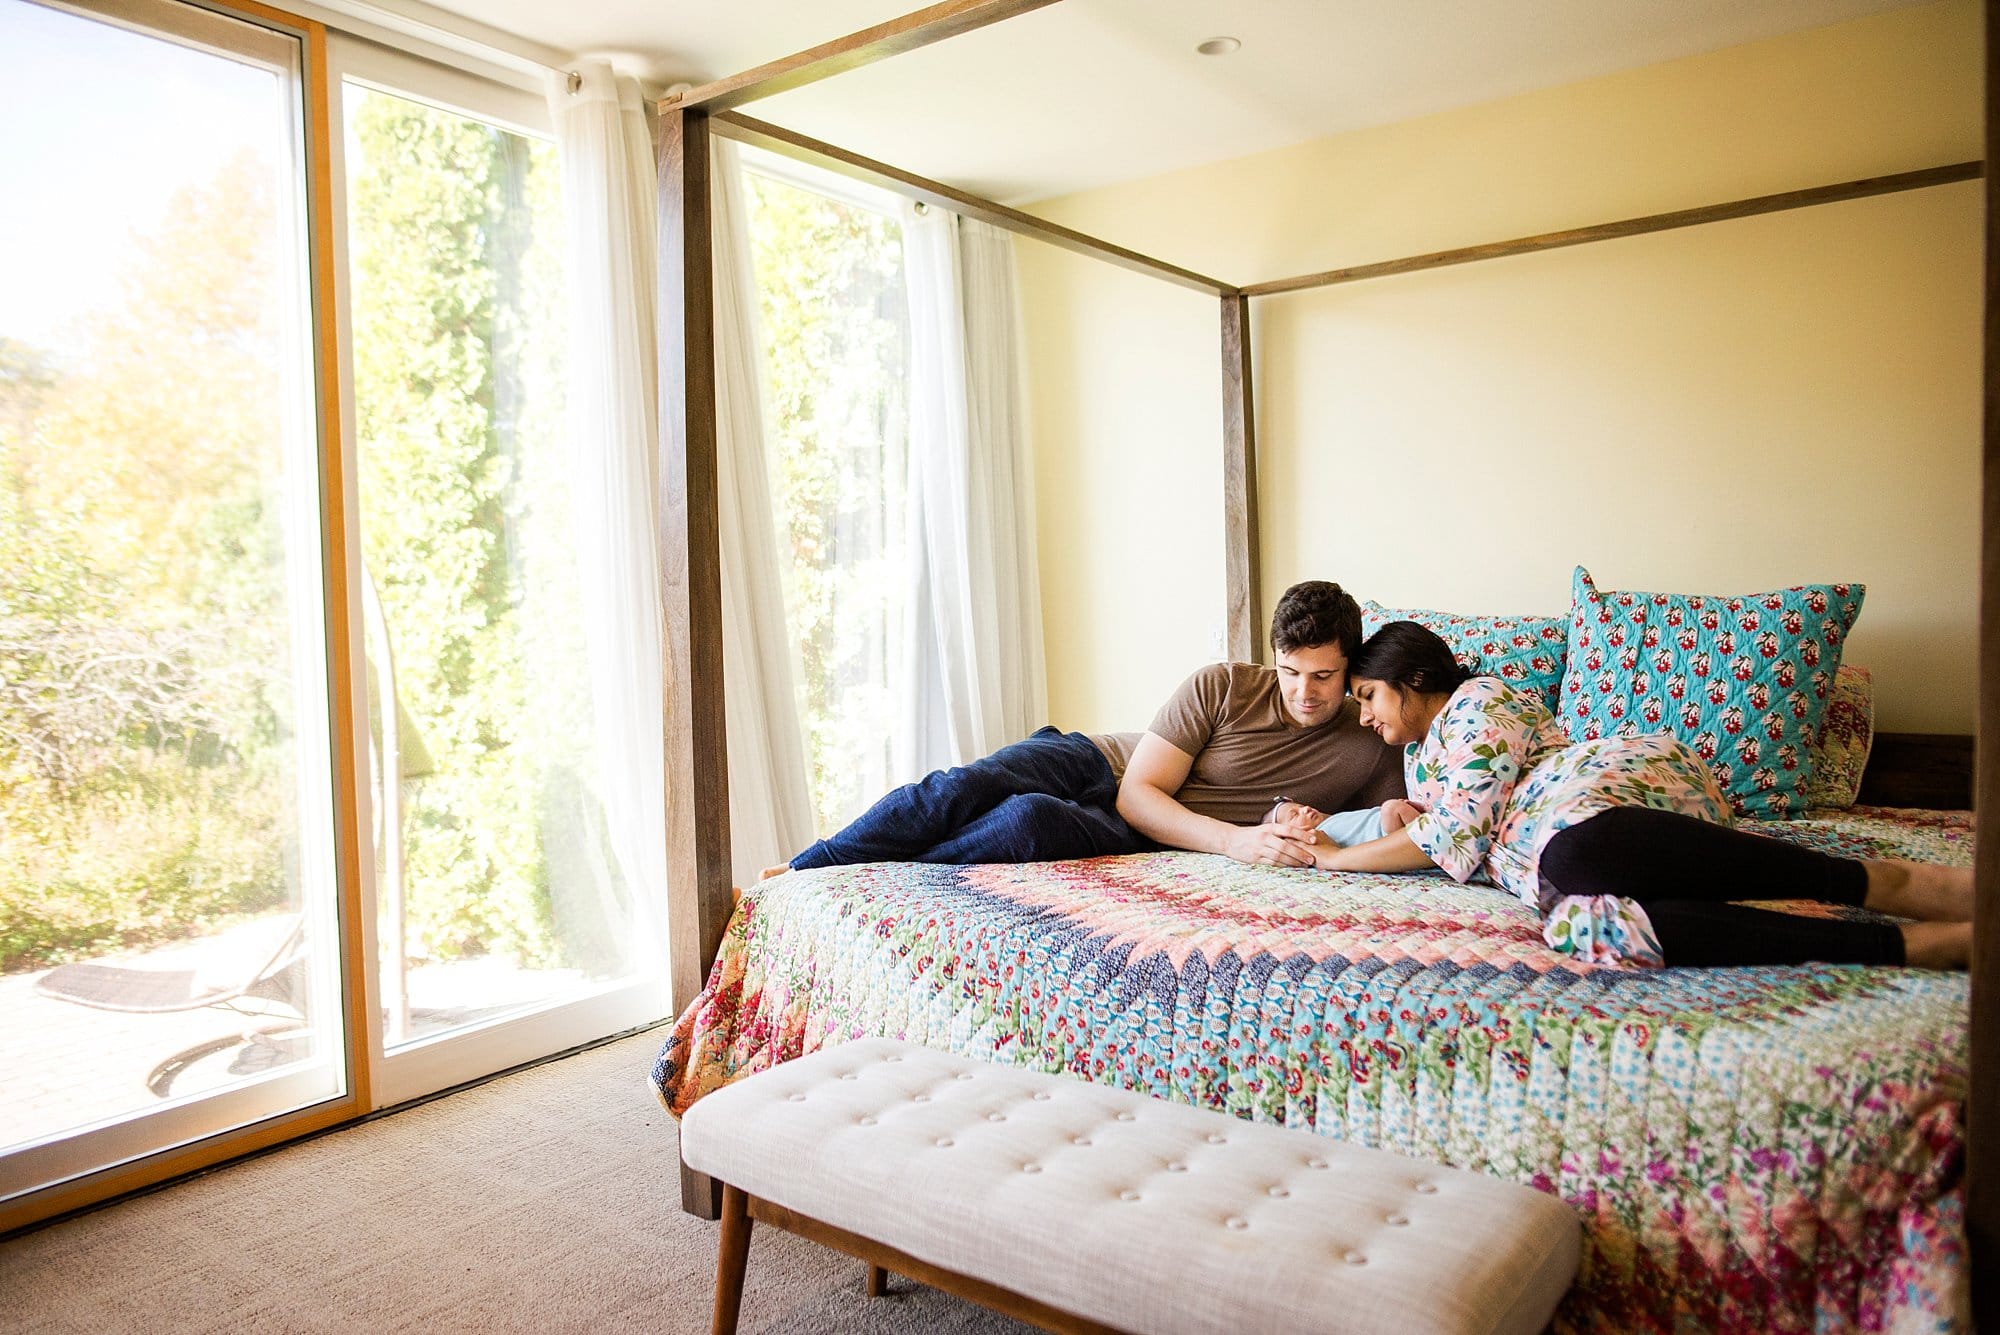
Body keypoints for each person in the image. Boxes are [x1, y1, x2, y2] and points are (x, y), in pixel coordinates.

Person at [1314, 620, 1974, 969]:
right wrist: (1408, 814)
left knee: (1571, 863)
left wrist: (1335, 858)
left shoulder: (1480, 699)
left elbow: (1456, 835)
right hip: (1551, 864)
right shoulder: (1419, 759)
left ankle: (1884, 883)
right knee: (1583, 927)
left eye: (1368, 695)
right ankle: (1902, 948)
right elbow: (1450, 826)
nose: (1365, 715)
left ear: (1417, 675)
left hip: (1613, 807)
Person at [780, 580, 1403, 872]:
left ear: (1349, 668)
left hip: (1152, 836)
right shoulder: (1224, 685)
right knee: (958, 788)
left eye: (1323, 676)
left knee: (1025, 823)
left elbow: (1395, 829)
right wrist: (1236, 840)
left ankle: (883, 874)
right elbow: (1138, 792)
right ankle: (806, 869)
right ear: (1275, 659)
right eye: (1291, 672)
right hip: (1103, 765)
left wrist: (1315, 841)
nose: (1304, 692)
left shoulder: (1369, 742)